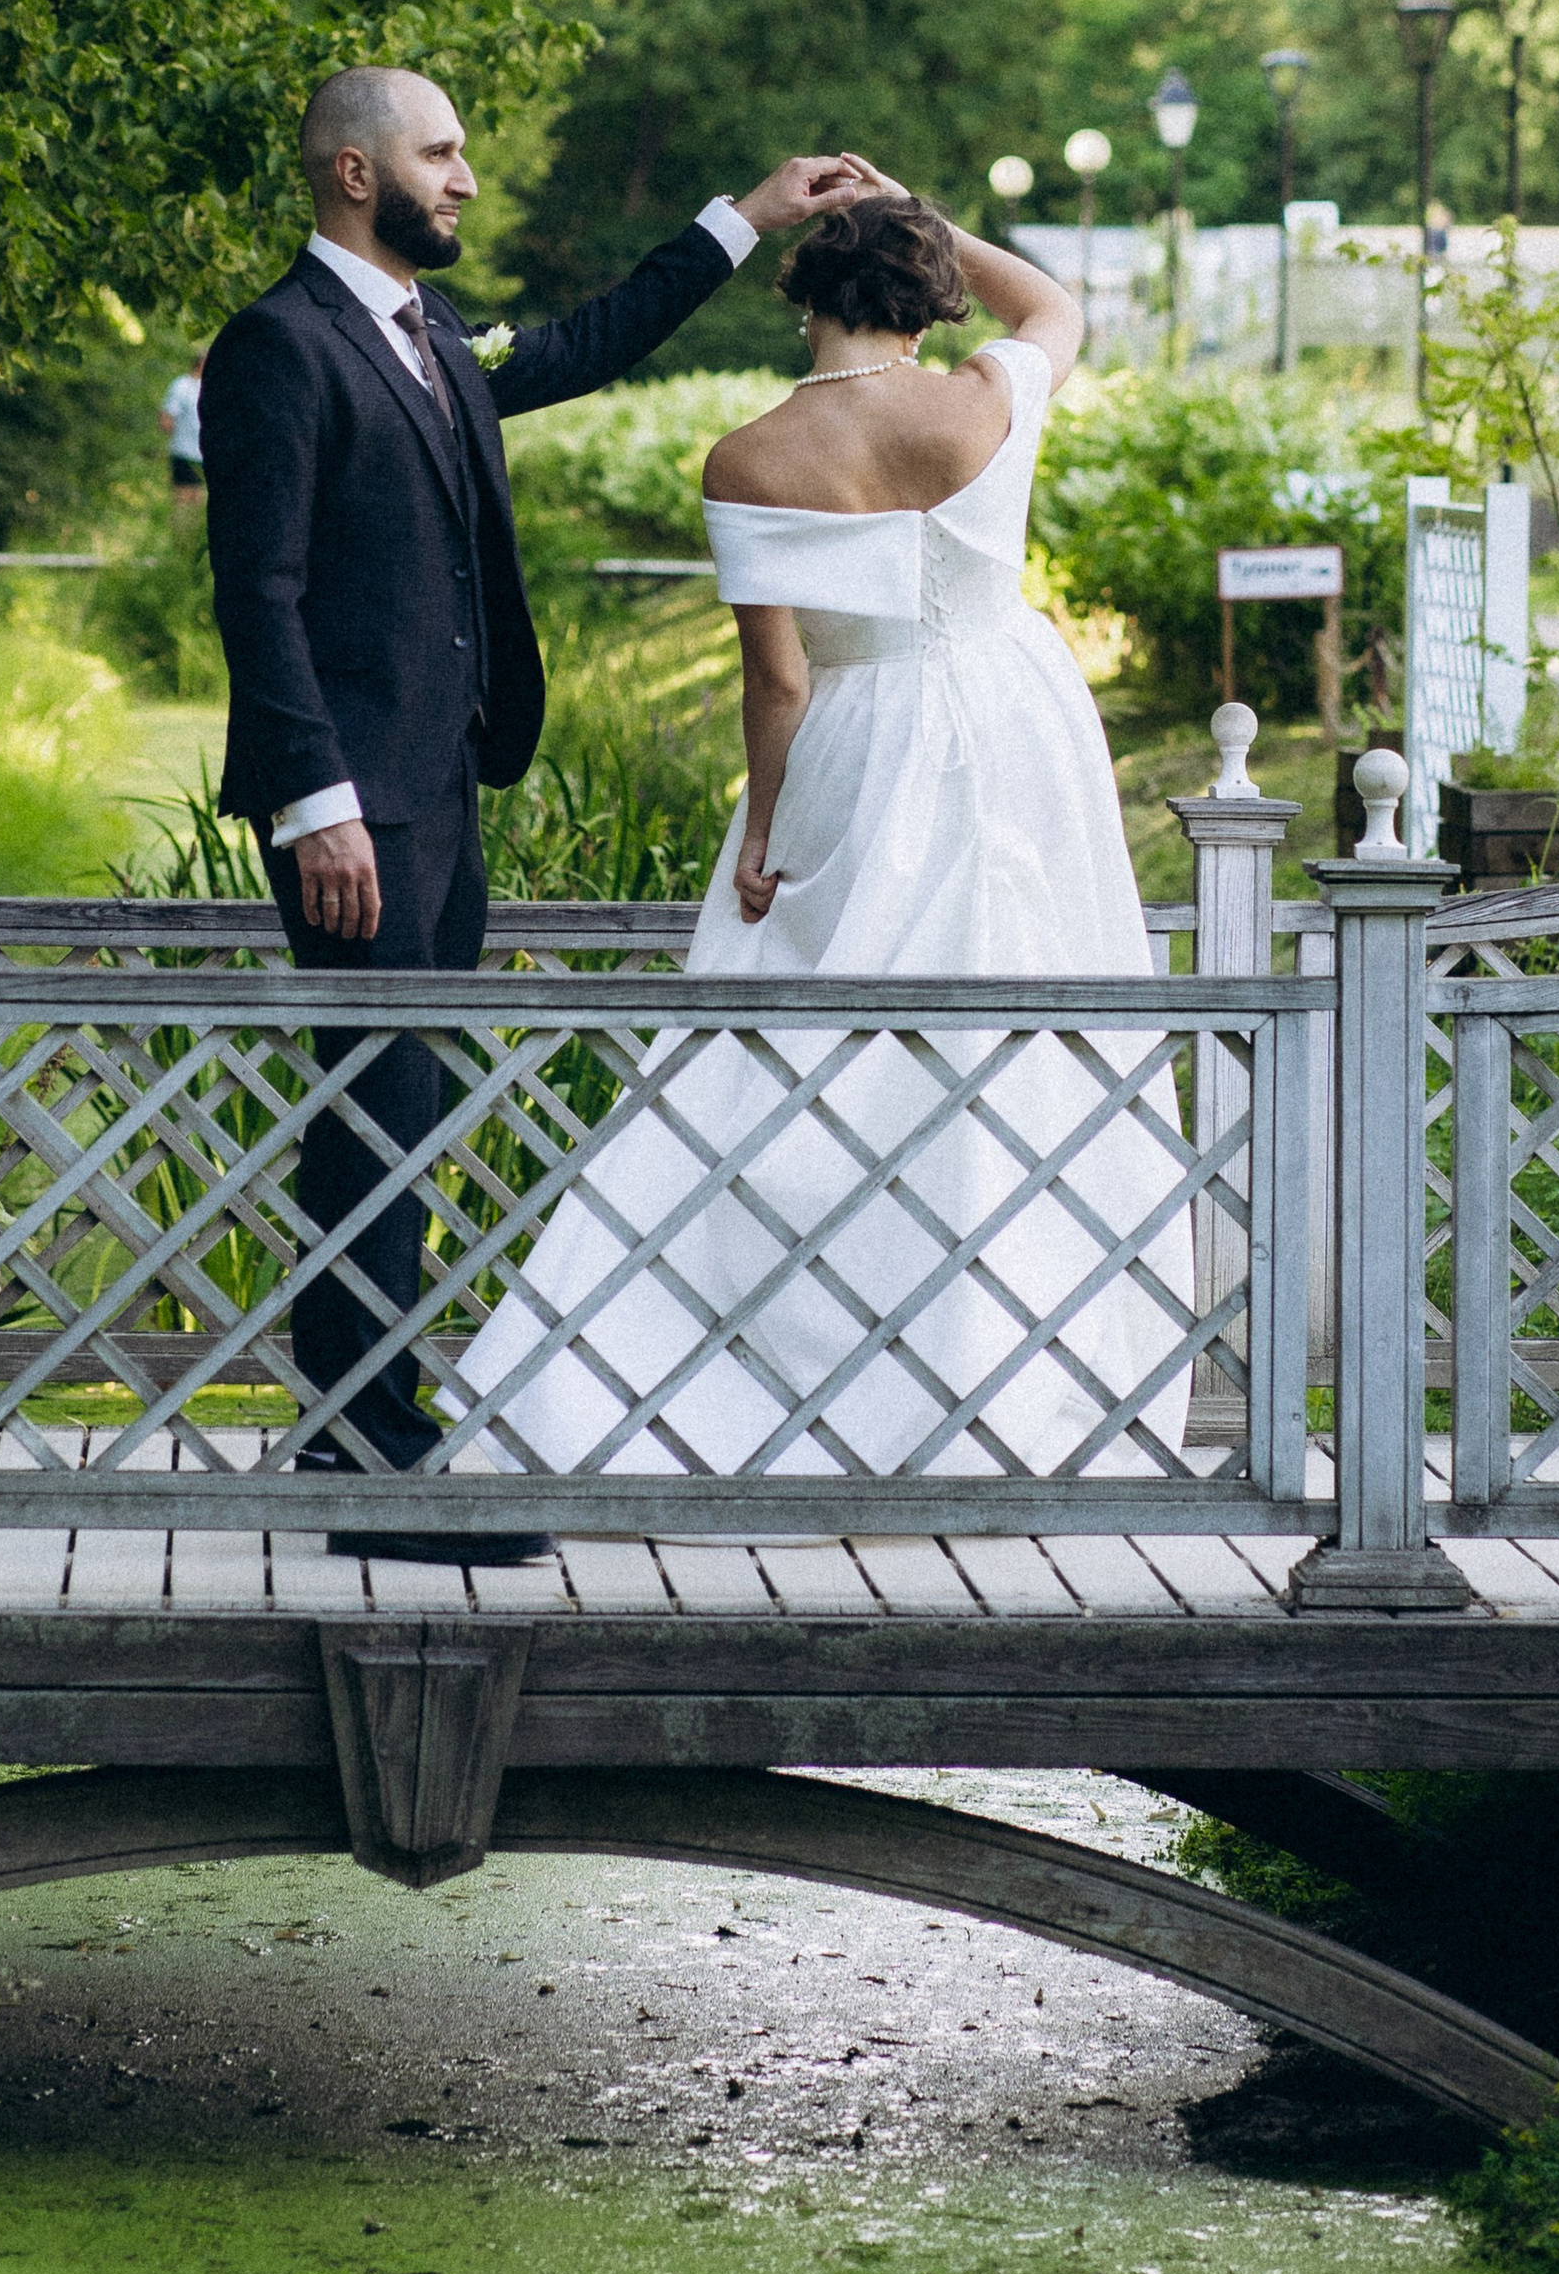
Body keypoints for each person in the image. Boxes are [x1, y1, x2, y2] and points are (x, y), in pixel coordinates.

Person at [198, 64, 863, 1561]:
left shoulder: (430, 333)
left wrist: (745, 220)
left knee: (401, 1102)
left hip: (441, 787)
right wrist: (318, 803)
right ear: (355, 173)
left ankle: (362, 1431)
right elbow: (262, 593)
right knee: (370, 1101)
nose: (468, 179)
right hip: (352, 809)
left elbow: (590, 339)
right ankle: (372, 1460)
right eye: (442, 154)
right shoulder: (276, 348)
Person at [458, 165, 1195, 1485]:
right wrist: (926, 210)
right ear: (929, 296)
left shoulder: (749, 456)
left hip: (859, 738)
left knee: (800, 1042)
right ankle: (1010, 1384)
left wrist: (765, 831)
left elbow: (779, 678)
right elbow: (1058, 304)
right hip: (1014, 727)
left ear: (801, 298)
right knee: (1012, 1039)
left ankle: (766, 1365)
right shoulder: (984, 398)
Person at [159, 350, 207, 507]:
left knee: (198, 499)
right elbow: (166, 418)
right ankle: (180, 529)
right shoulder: (181, 385)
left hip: (202, 454)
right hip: (184, 451)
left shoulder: (207, 387)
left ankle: (191, 530)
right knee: (183, 497)